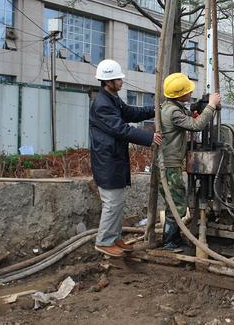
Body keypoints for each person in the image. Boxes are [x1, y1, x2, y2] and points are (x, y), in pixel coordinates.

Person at [90, 59, 162, 257]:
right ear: (107, 82)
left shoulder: (111, 98)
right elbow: (120, 128)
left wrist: (154, 109)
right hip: (107, 160)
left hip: (114, 158)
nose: (121, 81)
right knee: (112, 202)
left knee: (118, 201)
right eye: (117, 79)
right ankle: (104, 241)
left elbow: (130, 112)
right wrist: (149, 137)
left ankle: (114, 238)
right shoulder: (102, 104)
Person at [159, 73, 221, 252]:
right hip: (169, 165)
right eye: (187, 91)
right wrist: (211, 105)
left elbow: (187, 120)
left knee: (174, 203)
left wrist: (194, 113)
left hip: (170, 163)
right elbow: (196, 126)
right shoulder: (172, 112)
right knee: (177, 204)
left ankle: (175, 239)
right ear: (179, 94)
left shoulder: (171, 107)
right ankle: (169, 242)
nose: (190, 93)